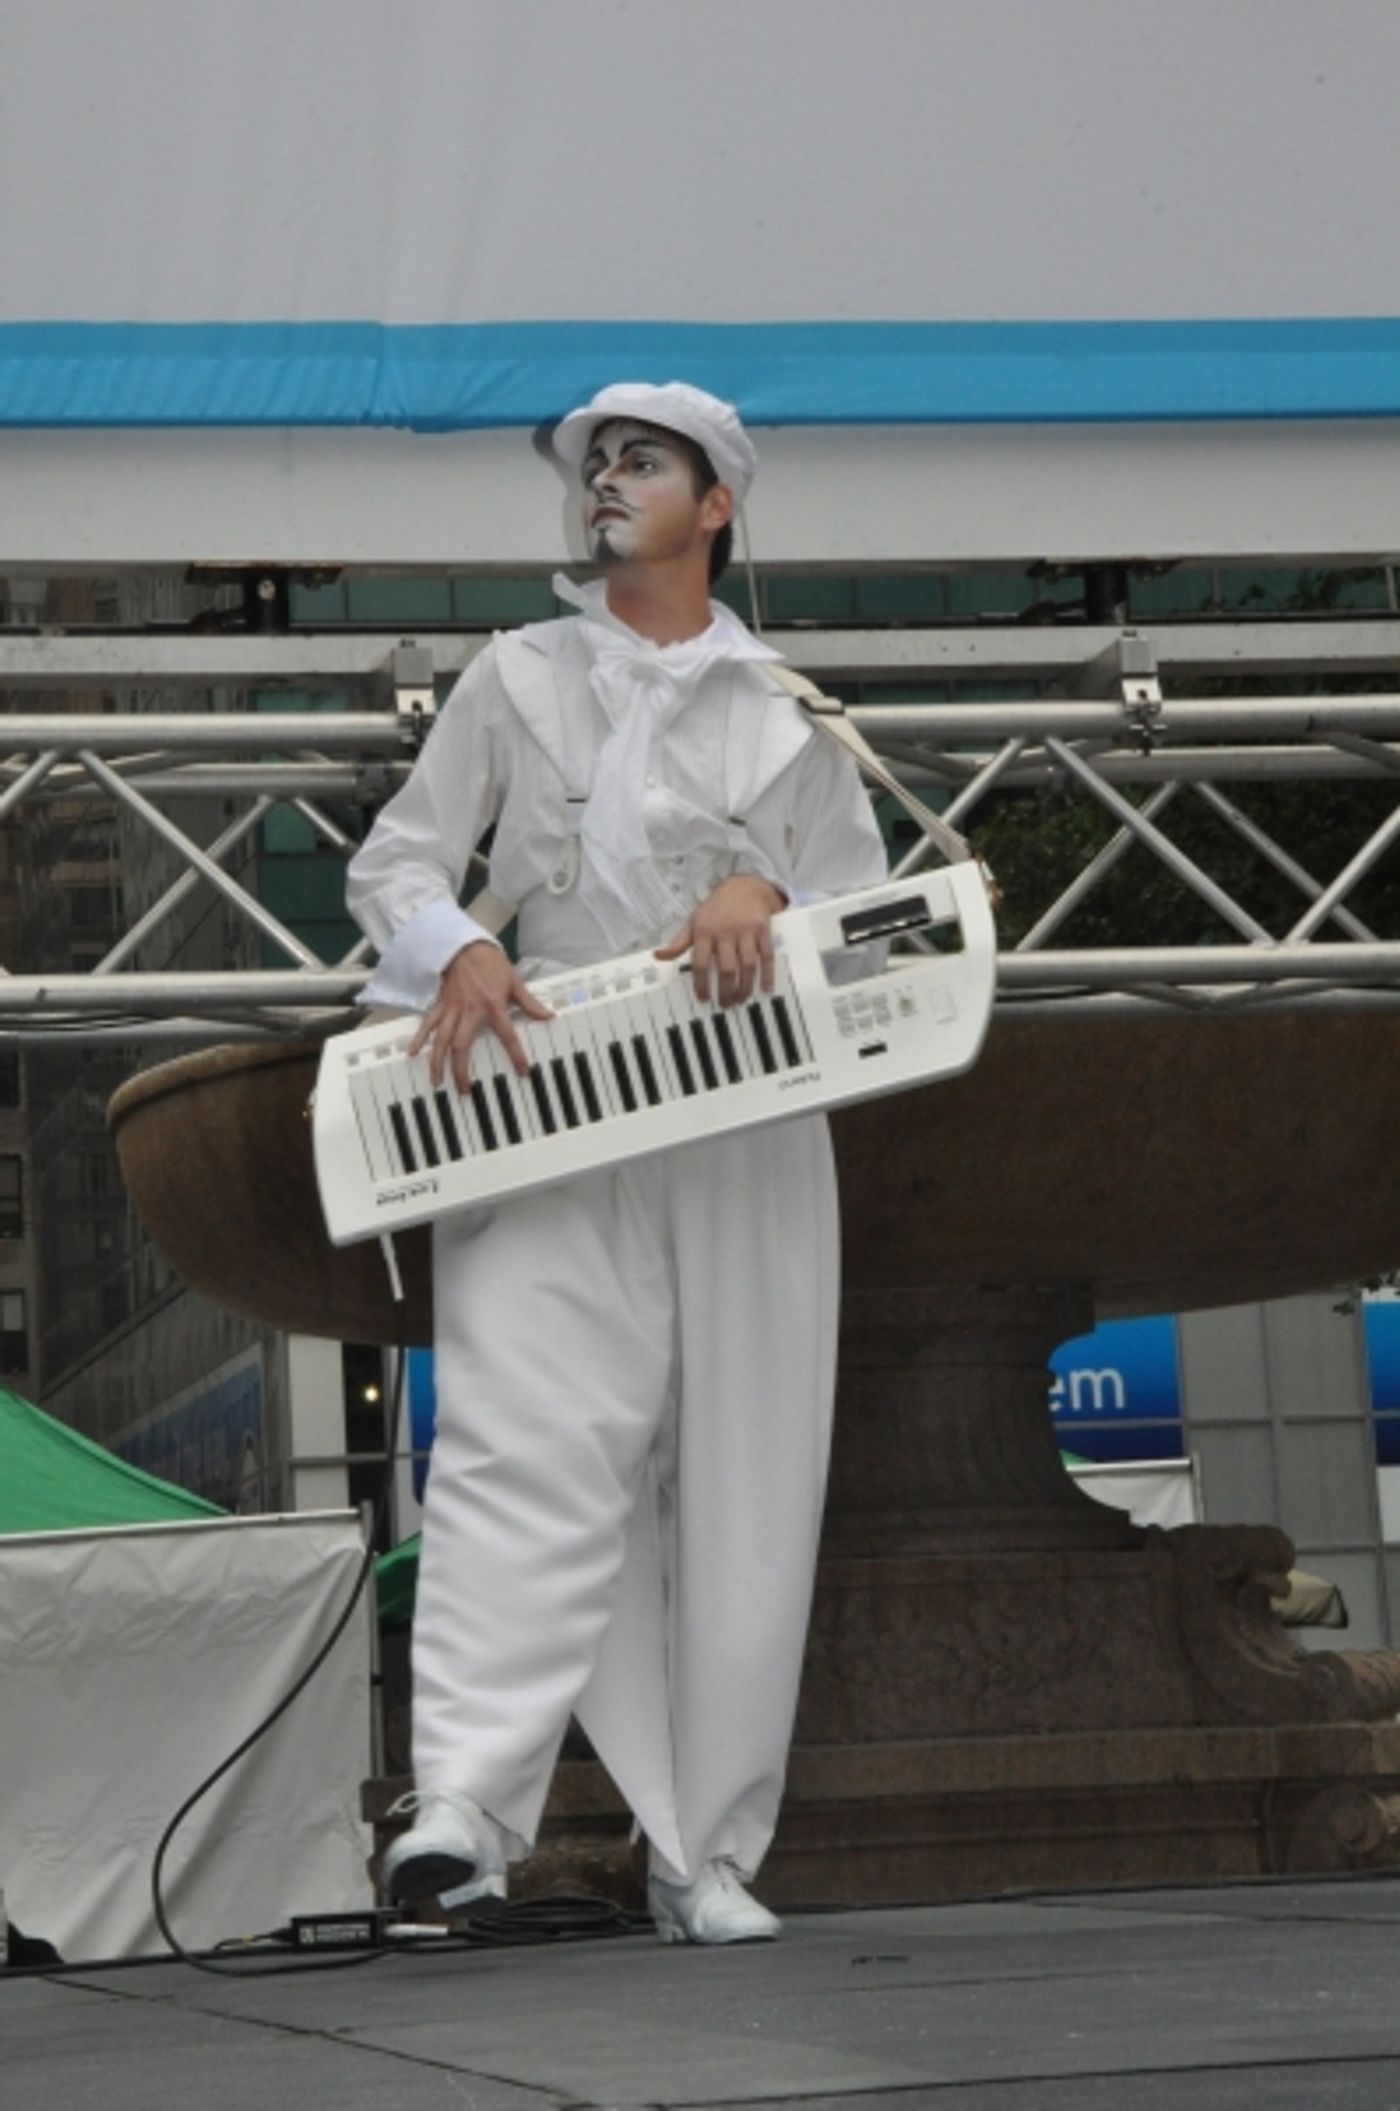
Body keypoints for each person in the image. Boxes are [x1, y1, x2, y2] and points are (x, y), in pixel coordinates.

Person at [345, 380, 888, 1943]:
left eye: (642, 461)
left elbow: (864, 927)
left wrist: (763, 891)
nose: (606, 481)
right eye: (595, 462)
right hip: (544, 1087)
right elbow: (397, 862)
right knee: (518, 1431)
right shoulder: (516, 675)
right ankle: (462, 1806)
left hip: (743, 1111)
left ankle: (703, 1850)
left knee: (744, 1467)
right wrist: (459, 949)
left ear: (717, 506)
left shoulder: (790, 714)